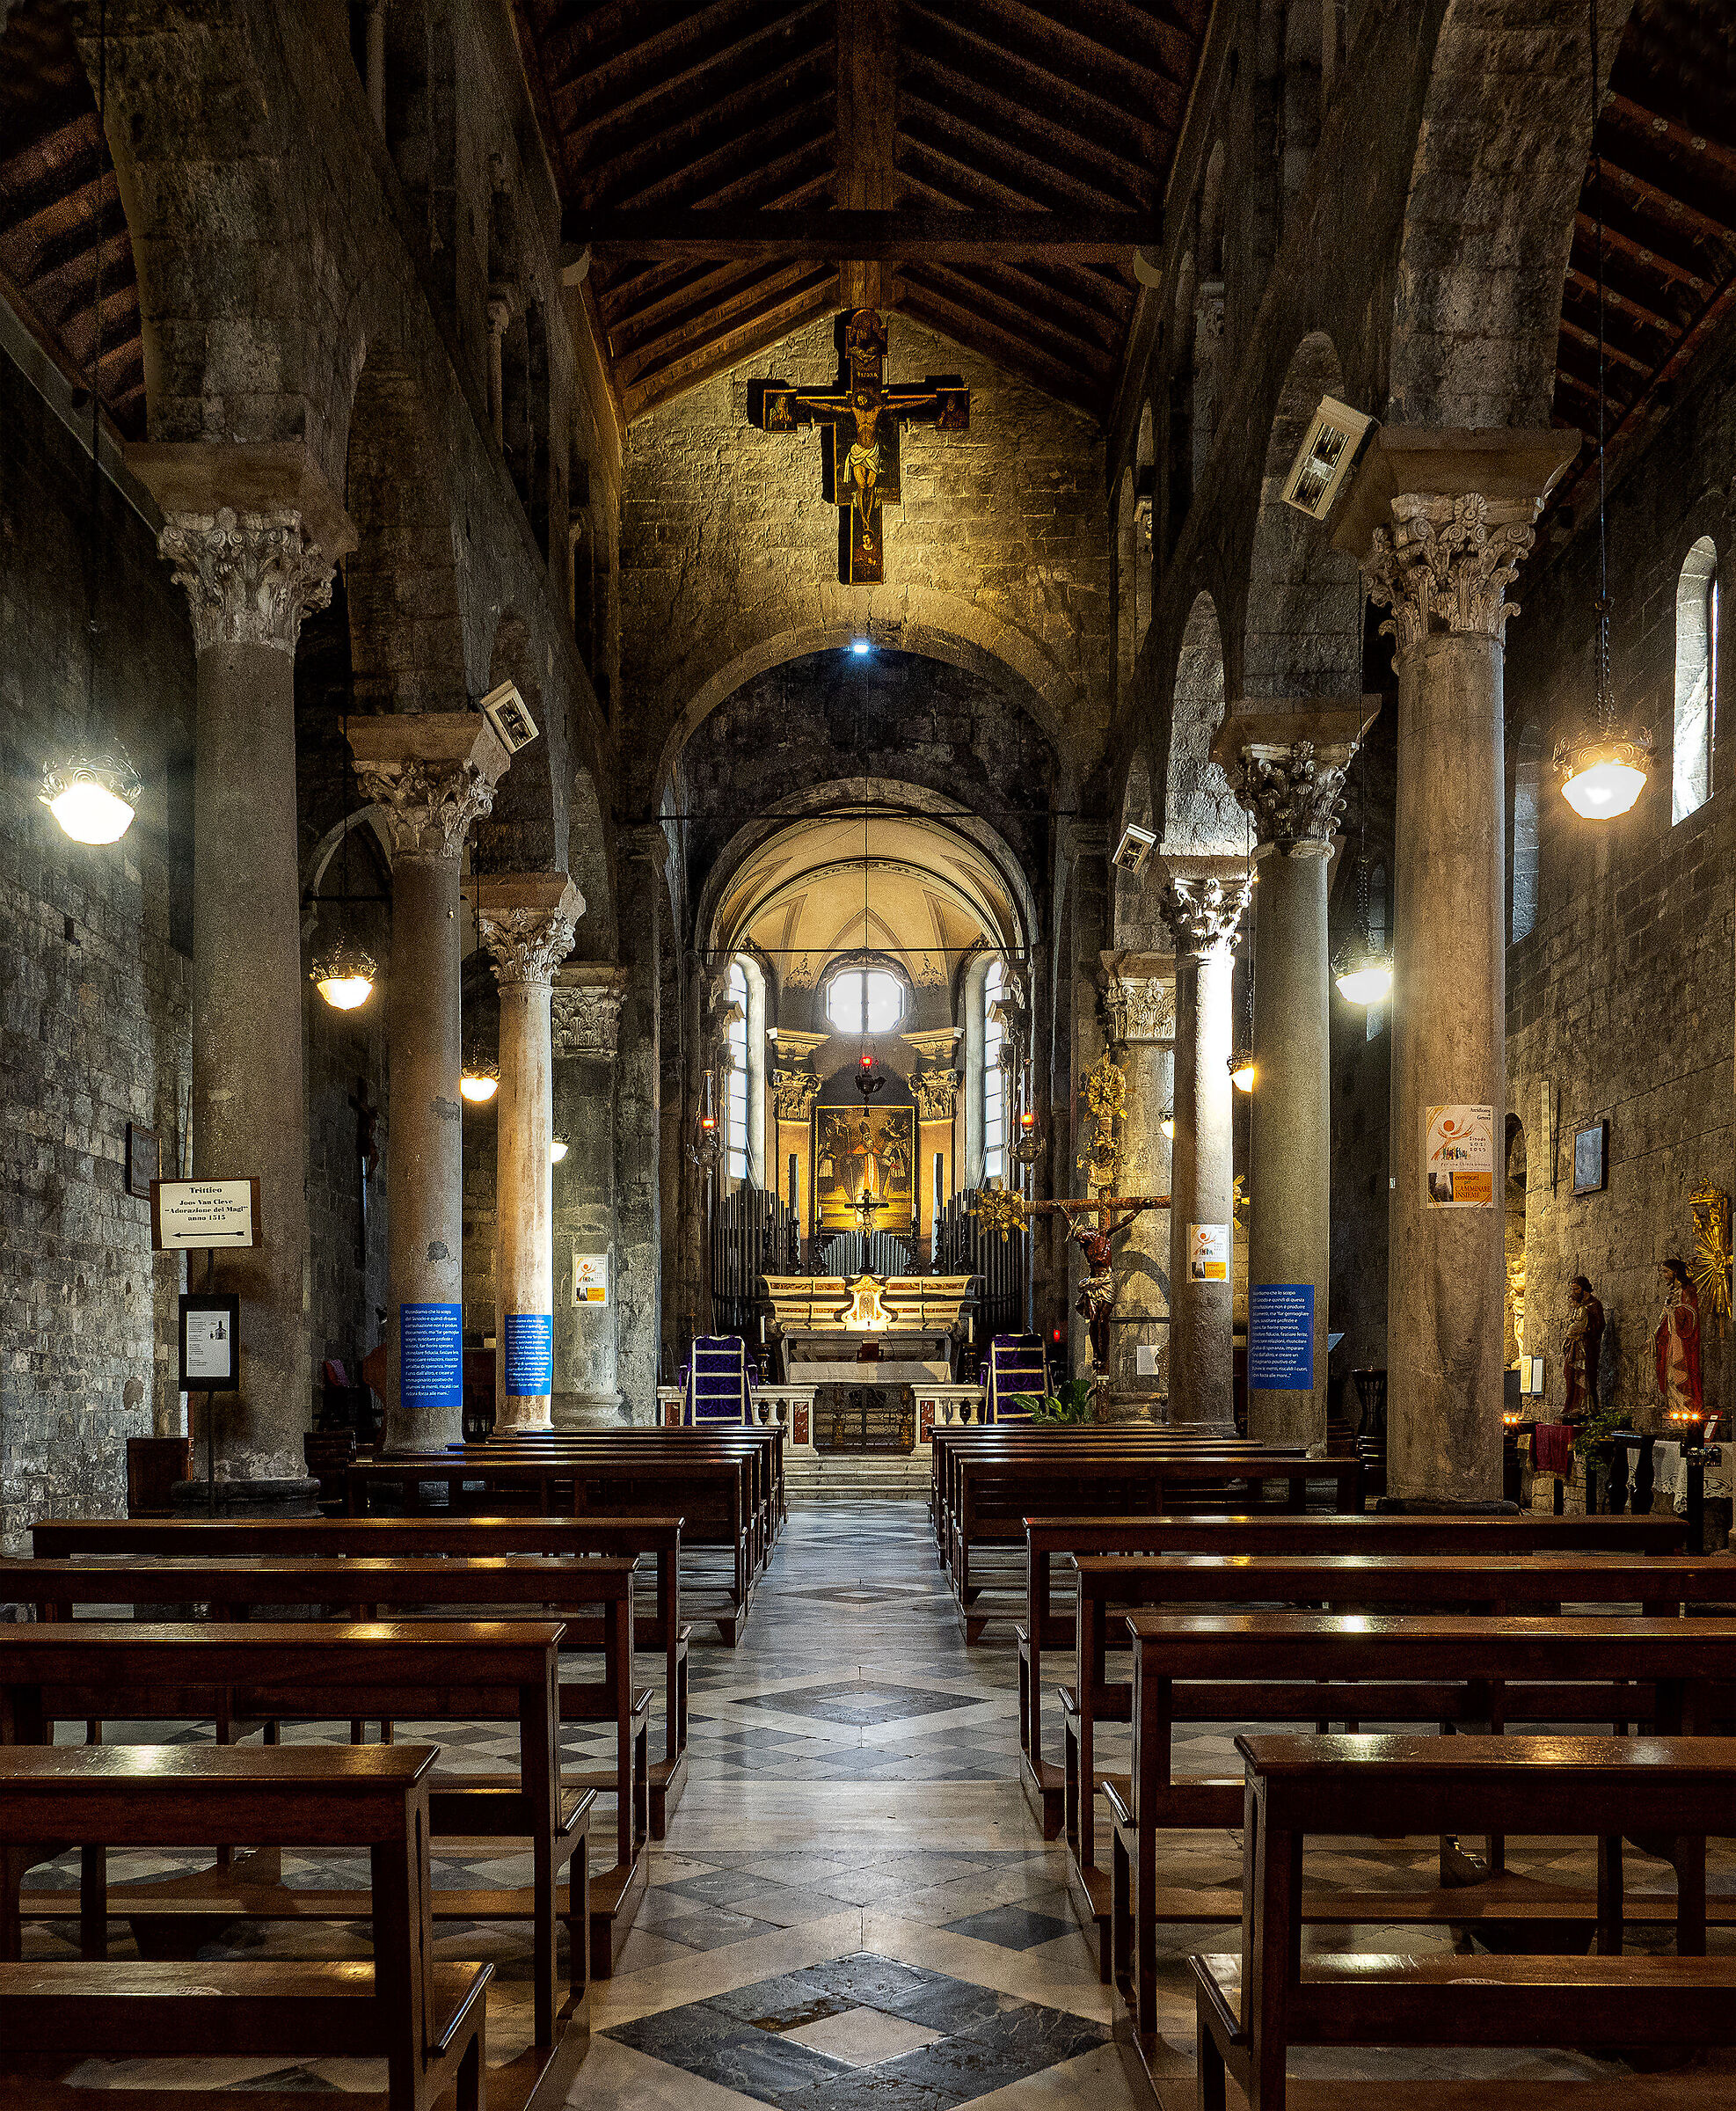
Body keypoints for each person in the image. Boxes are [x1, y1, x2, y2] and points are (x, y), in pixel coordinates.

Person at [1655, 1257, 1703, 1426]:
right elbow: (1663, 1318)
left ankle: (1687, 1414)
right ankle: (1674, 1414)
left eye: (1666, 1272)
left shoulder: (1687, 1290)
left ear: (1675, 1272)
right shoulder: (1671, 1293)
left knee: (1680, 1374)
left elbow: (1691, 1314)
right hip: (1669, 1339)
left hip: (1681, 1342)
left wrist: (1675, 1312)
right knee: (1669, 1377)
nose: (1664, 1275)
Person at [1561, 1275, 1604, 1424]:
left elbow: (1599, 1326)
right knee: (1570, 1374)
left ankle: (1585, 1407)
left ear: (1584, 1288)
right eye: (1572, 1289)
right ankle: (1573, 1405)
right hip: (1575, 1345)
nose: (1574, 1291)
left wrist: (1586, 1330)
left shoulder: (1594, 1305)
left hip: (1587, 1347)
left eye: (1577, 1288)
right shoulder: (1577, 1307)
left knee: (1584, 1376)